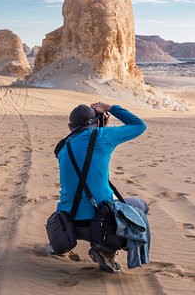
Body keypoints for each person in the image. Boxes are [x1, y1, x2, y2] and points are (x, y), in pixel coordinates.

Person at [55, 102, 148, 273]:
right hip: (99, 224)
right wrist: (111, 107)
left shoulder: (62, 147)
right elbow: (139, 125)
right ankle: (106, 250)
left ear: (70, 126)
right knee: (140, 206)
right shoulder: (102, 135)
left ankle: (61, 246)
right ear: (98, 121)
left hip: (69, 224)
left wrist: (99, 126)